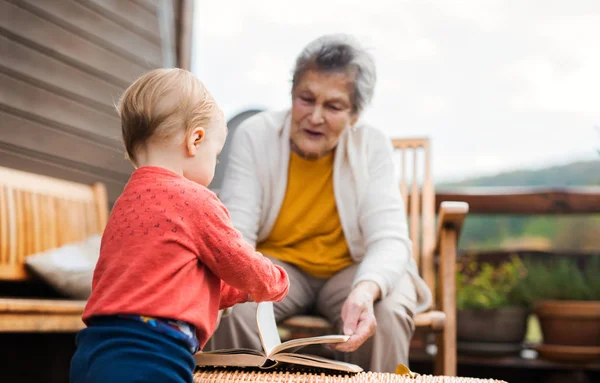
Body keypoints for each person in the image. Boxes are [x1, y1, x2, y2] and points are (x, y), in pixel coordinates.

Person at [206, 34, 432, 373]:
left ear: (355, 115)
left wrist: (365, 290)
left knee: (387, 309)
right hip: (276, 268)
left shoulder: (373, 146)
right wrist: (244, 284)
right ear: (291, 94)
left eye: (334, 106)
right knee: (232, 303)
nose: (315, 116)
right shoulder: (254, 135)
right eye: (306, 99)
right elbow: (237, 235)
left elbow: (389, 240)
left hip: (353, 269)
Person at [69, 68, 290, 383]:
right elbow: (239, 261)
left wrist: (237, 292)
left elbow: (174, 278)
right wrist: (275, 281)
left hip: (94, 349)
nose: (215, 164)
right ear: (195, 140)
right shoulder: (196, 200)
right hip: (153, 352)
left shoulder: (126, 203)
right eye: (215, 156)